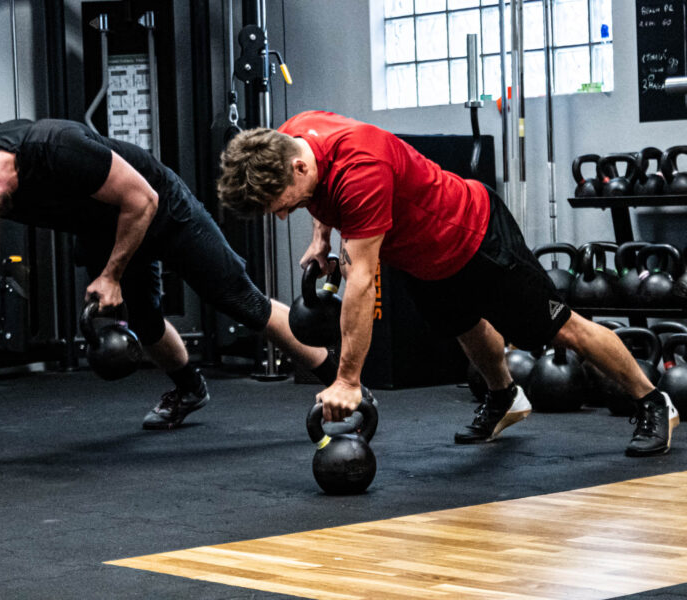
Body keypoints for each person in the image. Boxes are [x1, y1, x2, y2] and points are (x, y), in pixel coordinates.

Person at [217, 110, 680, 457]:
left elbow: (360, 284)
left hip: (475, 236)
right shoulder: (293, 136)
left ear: (298, 168)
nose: (283, 215)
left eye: (284, 205)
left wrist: (347, 380)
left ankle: (653, 401)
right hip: (424, 258)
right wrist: (321, 238)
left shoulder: (361, 171)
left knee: (563, 329)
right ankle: (504, 396)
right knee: (464, 326)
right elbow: (320, 197)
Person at [0, 118, 344, 430]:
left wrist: (111, 275)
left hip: (162, 208)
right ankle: (189, 389)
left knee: (241, 301)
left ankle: (340, 380)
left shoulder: (57, 147)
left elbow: (142, 200)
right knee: (145, 322)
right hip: (104, 228)